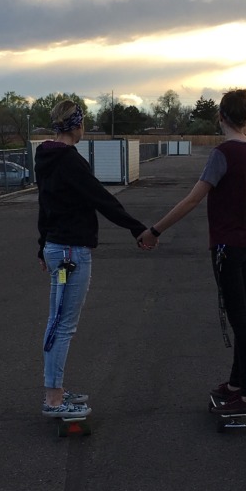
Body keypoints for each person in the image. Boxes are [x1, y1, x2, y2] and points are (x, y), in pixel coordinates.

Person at [138, 88, 246, 414]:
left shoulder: (222, 155)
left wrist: (155, 230)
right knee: (241, 315)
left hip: (226, 247)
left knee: (241, 321)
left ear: (221, 117)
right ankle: (237, 384)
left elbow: (193, 199)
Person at [35, 99, 148, 418]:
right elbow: (103, 199)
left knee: (56, 322)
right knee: (63, 325)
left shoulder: (44, 156)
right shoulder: (70, 160)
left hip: (57, 249)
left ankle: (54, 389)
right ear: (77, 126)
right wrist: (138, 229)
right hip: (71, 252)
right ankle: (54, 399)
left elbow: (44, 205)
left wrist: (42, 246)